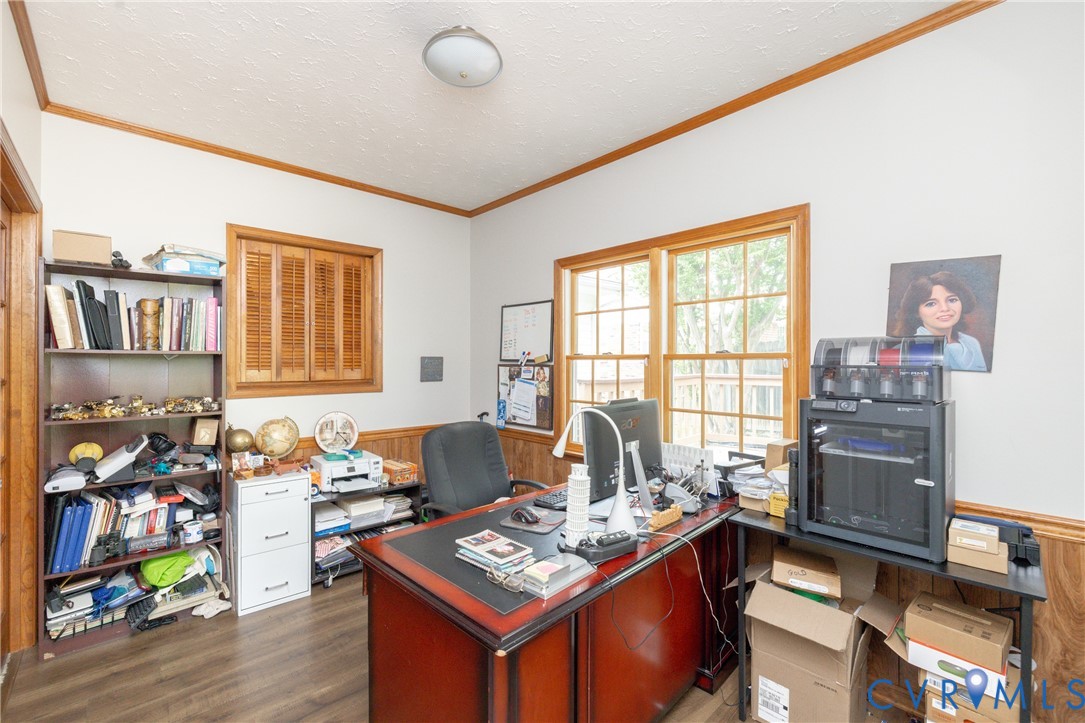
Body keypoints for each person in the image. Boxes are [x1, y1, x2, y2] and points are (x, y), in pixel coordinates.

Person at [892, 271, 987, 371]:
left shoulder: (971, 343)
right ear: (916, 312)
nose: (945, 308)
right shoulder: (910, 348)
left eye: (952, 300)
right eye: (931, 304)